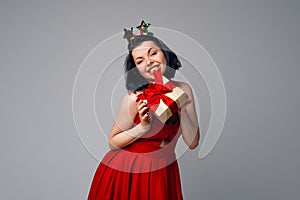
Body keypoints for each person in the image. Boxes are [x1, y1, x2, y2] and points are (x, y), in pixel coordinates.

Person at [88, 20, 200, 200]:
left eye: (153, 53)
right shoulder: (134, 97)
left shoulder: (184, 90)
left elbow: (192, 143)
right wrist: (142, 128)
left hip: (164, 170)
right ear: (137, 69)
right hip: (128, 171)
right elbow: (113, 142)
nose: (149, 62)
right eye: (140, 61)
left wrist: (181, 106)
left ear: (164, 53)